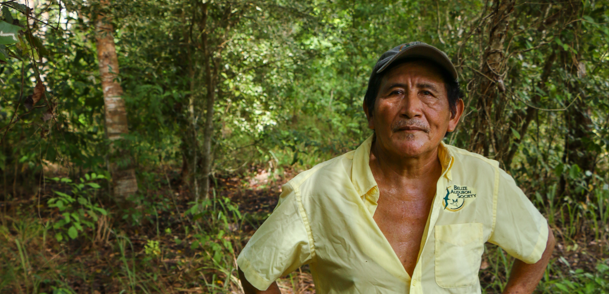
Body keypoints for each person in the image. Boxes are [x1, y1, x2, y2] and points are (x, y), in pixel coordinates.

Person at [237, 41, 556, 294]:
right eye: (395, 93)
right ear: (371, 113)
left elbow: (540, 243)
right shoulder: (316, 191)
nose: (411, 109)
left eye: (428, 93)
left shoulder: (482, 180)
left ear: (454, 115)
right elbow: (254, 270)